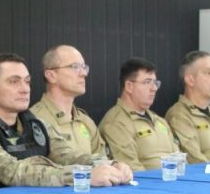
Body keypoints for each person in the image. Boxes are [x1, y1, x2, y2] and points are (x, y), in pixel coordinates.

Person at [0, 53, 128, 187]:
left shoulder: (35, 123)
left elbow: (67, 155)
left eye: (27, 82)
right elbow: (11, 172)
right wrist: (82, 176)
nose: (25, 89)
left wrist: (109, 165)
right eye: (14, 82)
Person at [30, 45, 133, 181]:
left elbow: (101, 159)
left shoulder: (85, 120)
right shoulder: (34, 119)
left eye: (84, 67)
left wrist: (116, 167)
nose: (83, 73)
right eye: (74, 67)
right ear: (51, 75)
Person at [98, 57, 177, 171]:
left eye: (155, 83)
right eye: (147, 82)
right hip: (148, 186)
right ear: (129, 86)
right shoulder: (116, 122)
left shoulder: (159, 121)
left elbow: (178, 158)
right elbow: (131, 168)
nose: (154, 88)